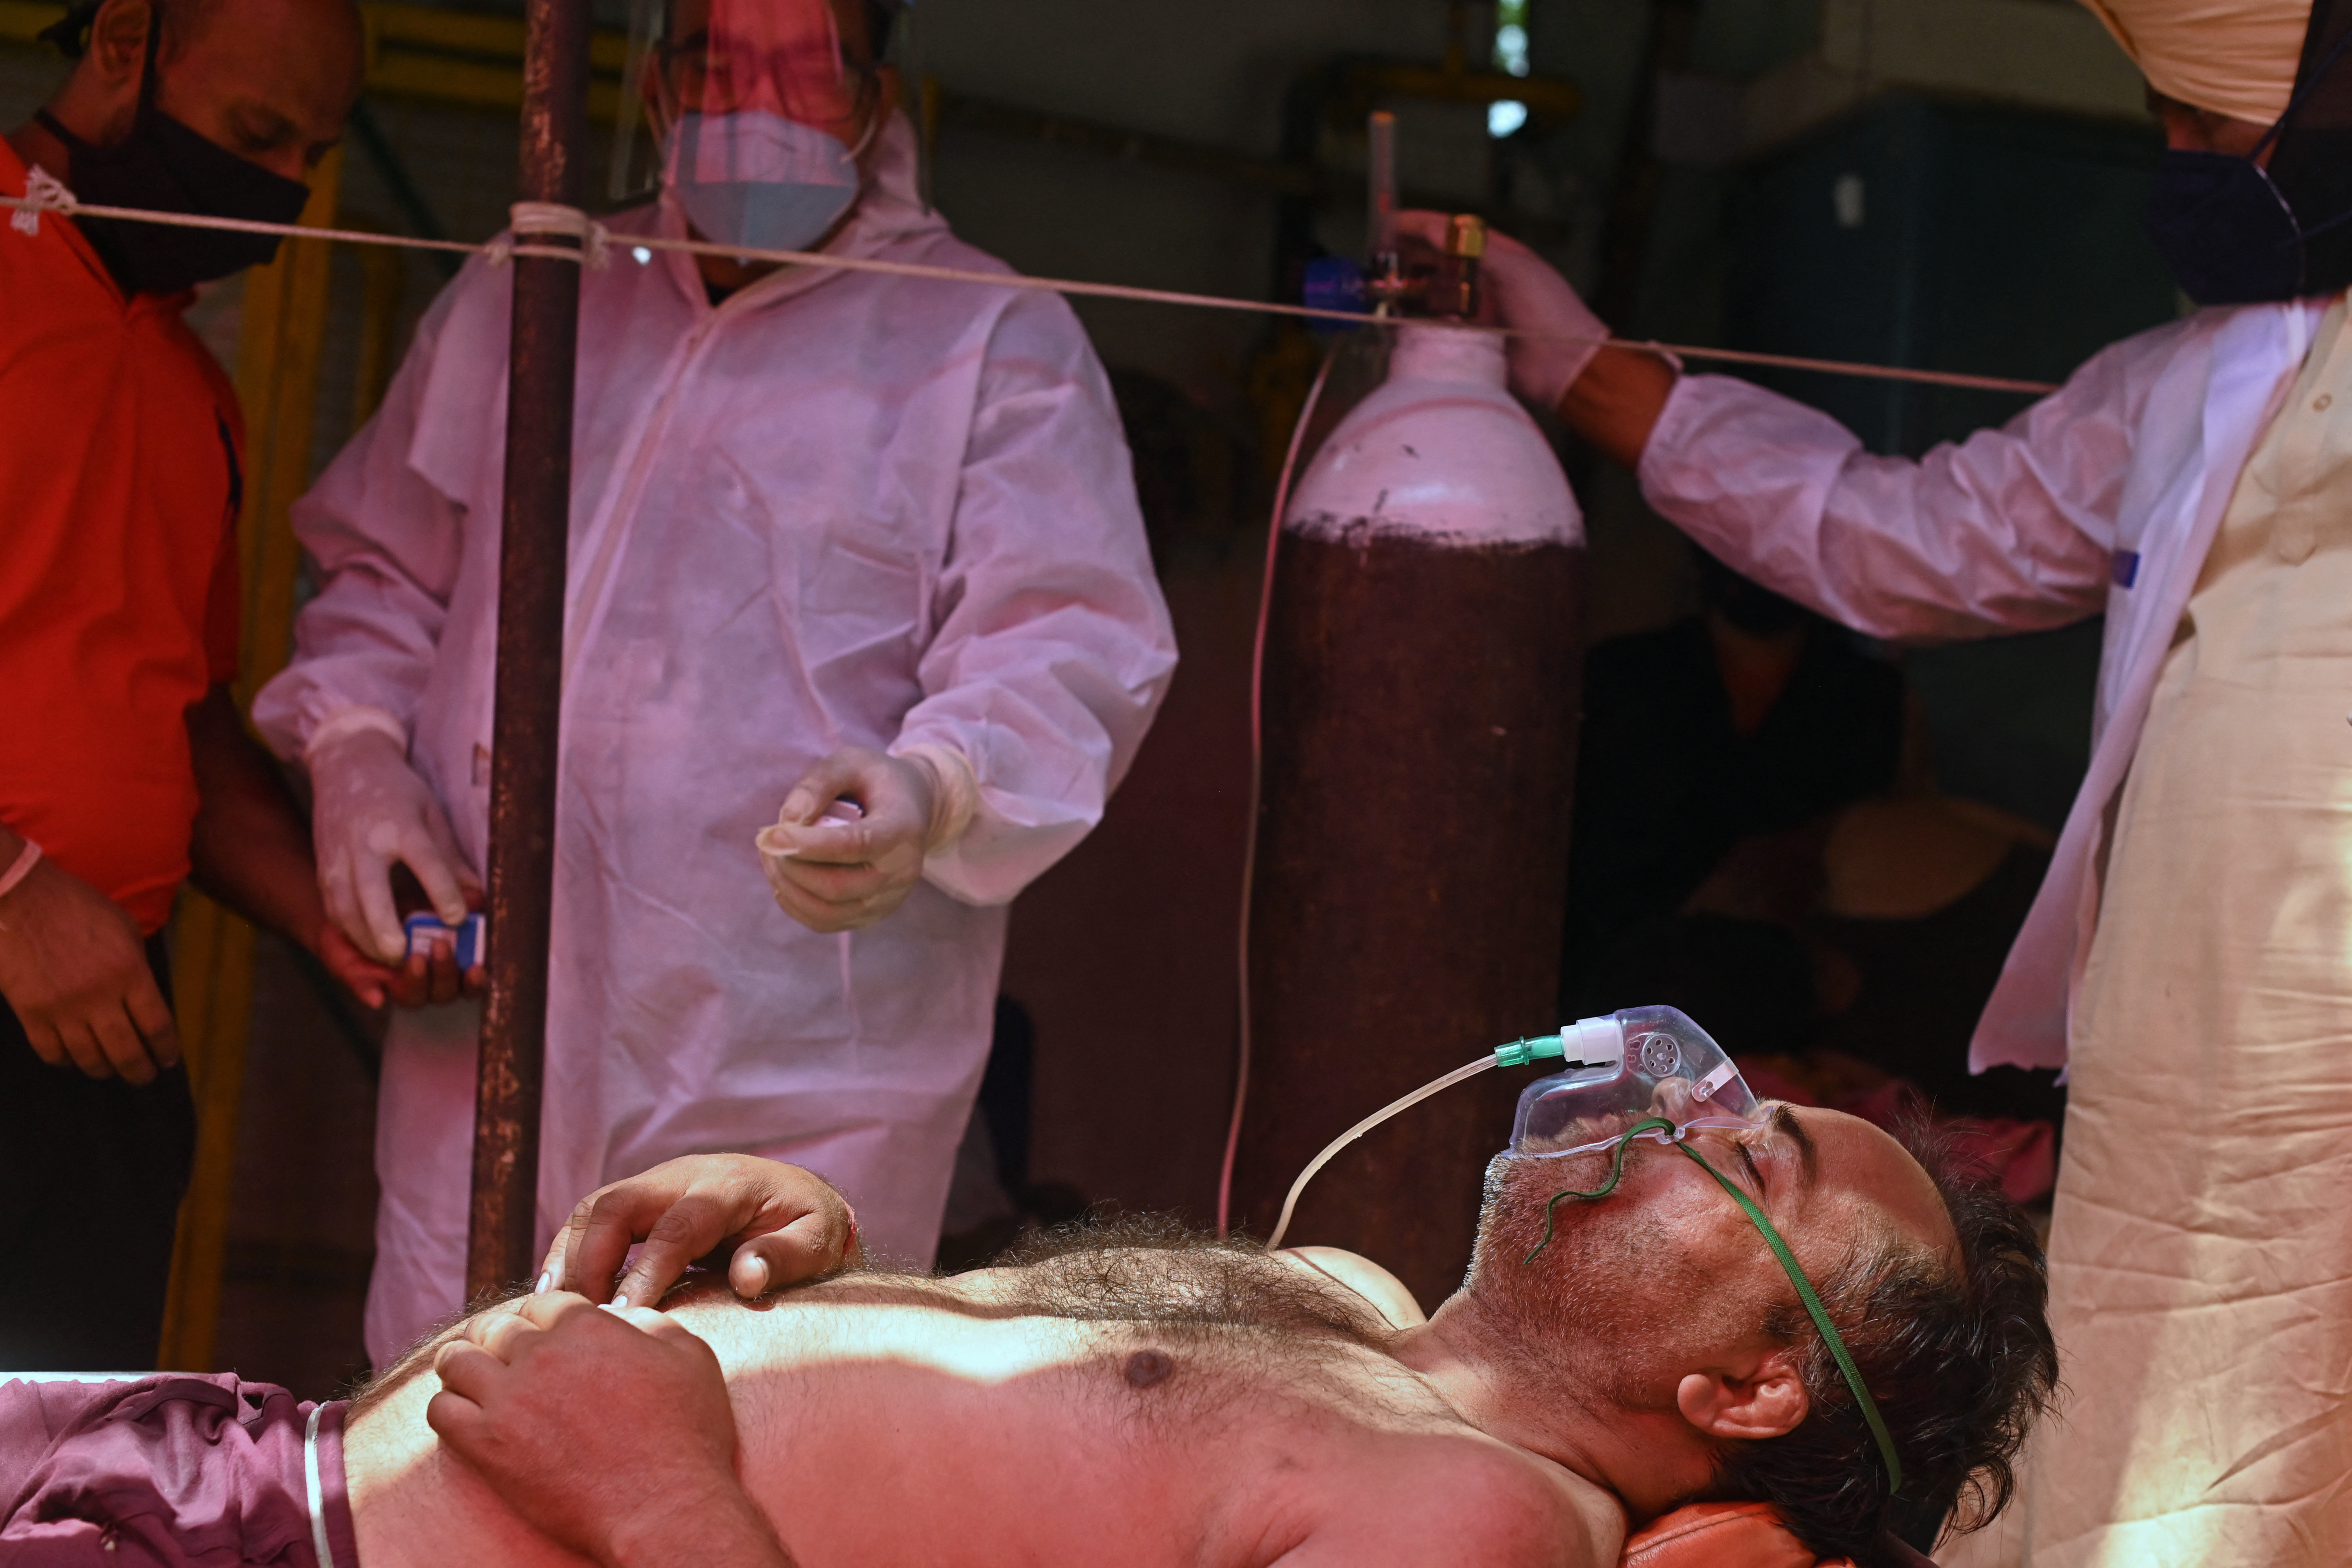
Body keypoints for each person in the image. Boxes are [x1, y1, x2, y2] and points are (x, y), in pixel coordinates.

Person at [1403, 0, 2352, 1560]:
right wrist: (1582, 371)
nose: (2176, 162)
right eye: (2166, 123)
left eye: (2214, 130)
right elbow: (1897, 540)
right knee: (2161, 1388)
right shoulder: (2184, 377)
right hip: (2170, 1021)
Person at [252, 0, 1176, 1366]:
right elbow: (382, 574)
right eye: (714, 62)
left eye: (800, 69)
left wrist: (935, 786)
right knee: (444, 1442)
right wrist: (359, 754)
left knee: (748, 1451)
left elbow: (1066, 651)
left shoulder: (989, 341)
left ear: (876, 90)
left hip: (797, 1075)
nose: (752, 101)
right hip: (492, 1041)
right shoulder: (538, 284)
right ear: (656, 76)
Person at [3, 1101, 2055, 1567]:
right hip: (232, 1461)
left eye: (1752, 1159)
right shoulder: (1345, 1307)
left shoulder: (1485, 1531)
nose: (1680, 1104)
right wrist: (820, 1261)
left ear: (1752, 1386)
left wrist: (665, 1497)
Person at [0, 0, 416, 1372]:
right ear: (126, 40)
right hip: (30, 936)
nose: (284, 189)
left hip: (94, 1045)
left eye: (309, 154)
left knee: (55, 1494)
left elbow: (183, 724)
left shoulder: (195, 388)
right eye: (253, 132)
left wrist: (331, 916)